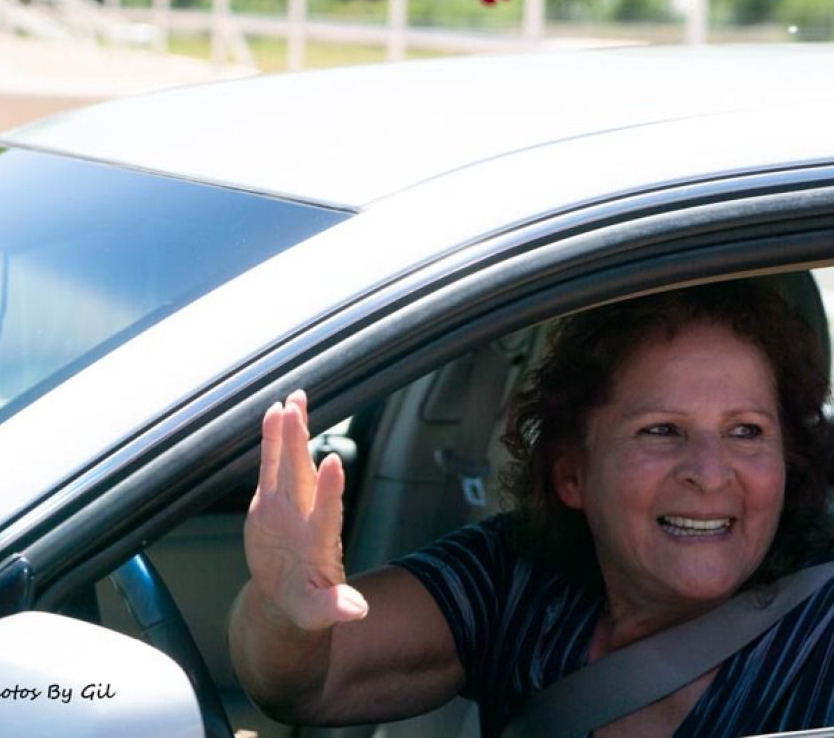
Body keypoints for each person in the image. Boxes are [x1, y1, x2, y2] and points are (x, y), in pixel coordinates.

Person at [228, 279, 834, 737]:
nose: (708, 471)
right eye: (661, 430)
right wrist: (287, 613)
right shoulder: (518, 577)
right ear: (572, 473)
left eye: (748, 431)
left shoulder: (820, 632)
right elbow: (311, 682)